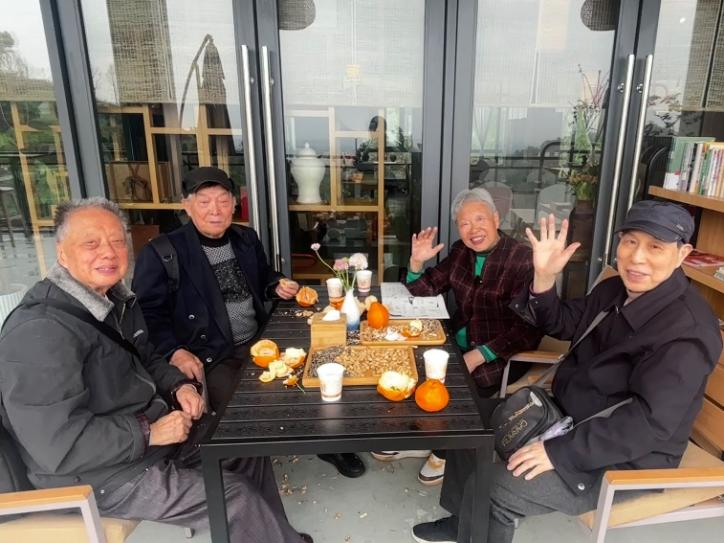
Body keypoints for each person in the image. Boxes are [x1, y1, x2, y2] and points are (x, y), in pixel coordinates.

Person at [0, 198, 311, 543]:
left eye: (116, 241)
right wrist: (149, 432)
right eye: (91, 243)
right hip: (100, 475)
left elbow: (145, 356)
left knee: (242, 446)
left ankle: (278, 536)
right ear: (62, 252)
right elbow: (57, 445)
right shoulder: (40, 331)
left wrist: (179, 386)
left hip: (148, 440)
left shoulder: (115, 301)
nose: (108, 252)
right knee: (233, 498)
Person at [411, 200, 722, 543]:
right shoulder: (613, 290)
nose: (637, 258)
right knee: (466, 423)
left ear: (682, 254)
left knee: (498, 489)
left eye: (655, 247)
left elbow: (649, 424)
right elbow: (561, 323)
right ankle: (463, 524)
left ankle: (478, 524)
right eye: (630, 242)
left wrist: (559, 452)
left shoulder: (688, 331)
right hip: (564, 415)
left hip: (622, 455)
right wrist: (544, 278)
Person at [133, 167, 366, 478]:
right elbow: (147, 314)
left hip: (259, 339)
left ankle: (329, 443)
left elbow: (263, 276)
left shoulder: (245, 238)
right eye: (204, 202)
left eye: (222, 200)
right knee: (251, 407)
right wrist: (174, 350)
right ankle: (245, 478)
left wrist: (277, 285)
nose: (215, 210)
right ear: (186, 206)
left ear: (234, 204)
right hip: (212, 355)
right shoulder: (163, 252)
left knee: (319, 369)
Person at [372, 187, 542, 486]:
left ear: (496, 218)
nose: (473, 229)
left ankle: (444, 452)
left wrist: (479, 355)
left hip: (501, 354)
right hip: (457, 343)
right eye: (464, 223)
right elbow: (425, 288)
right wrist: (416, 263)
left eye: (480, 219)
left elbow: (529, 328)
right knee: (413, 365)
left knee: (453, 386)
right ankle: (422, 440)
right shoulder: (461, 251)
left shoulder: (521, 259)